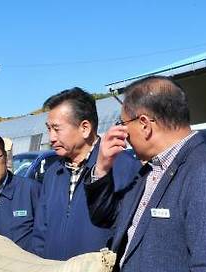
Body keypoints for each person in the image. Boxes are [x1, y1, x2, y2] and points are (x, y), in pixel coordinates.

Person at [86, 76, 206, 272]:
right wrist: (103, 167)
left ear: (145, 124)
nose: (123, 133)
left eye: (123, 123)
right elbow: (106, 218)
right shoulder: (149, 170)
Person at [31, 87, 140, 260]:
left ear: (85, 128)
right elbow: (40, 234)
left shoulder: (123, 168)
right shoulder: (53, 174)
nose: (51, 137)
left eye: (57, 129)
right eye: (48, 129)